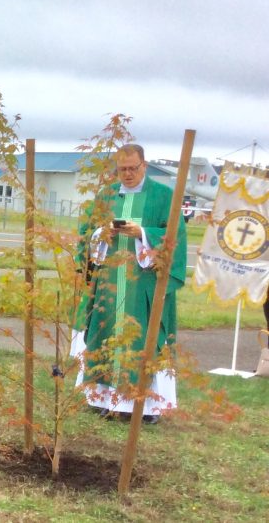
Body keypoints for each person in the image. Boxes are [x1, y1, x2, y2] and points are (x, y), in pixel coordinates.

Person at [72, 144, 186, 423]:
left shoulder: (164, 196)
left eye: (133, 168)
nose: (127, 174)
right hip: (109, 284)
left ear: (144, 165)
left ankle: (147, 407)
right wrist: (102, 233)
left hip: (144, 285)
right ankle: (104, 399)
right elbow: (86, 234)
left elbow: (175, 237)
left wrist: (143, 234)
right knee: (105, 335)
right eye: (122, 169)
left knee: (145, 340)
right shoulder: (106, 195)